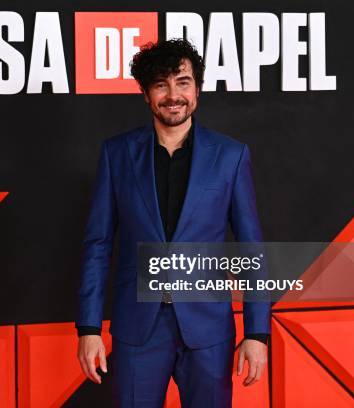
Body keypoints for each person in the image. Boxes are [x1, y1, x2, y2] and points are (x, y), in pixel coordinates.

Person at [75, 39, 270, 407]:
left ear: (196, 89)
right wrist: (88, 327)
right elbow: (97, 244)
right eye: (161, 84)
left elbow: (251, 248)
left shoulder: (230, 155)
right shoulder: (116, 154)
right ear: (146, 94)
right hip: (139, 327)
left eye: (182, 82)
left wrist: (257, 332)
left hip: (208, 327)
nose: (173, 94)